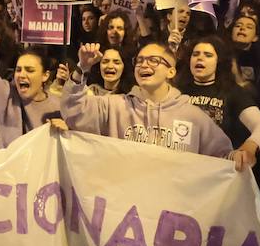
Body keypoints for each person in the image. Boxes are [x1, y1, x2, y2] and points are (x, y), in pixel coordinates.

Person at [65, 42, 234, 160]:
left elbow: (222, 158)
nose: (144, 65)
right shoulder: (113, 106)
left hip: (171, 206)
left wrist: (237, 157)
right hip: (126, 206)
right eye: (139, 60)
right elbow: (74, 111)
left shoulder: (193, 116)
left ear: (171, 72)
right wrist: (82, 68)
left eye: (153, 60)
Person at [175, 35, 260, 168]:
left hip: (218, 168)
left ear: (218, 61)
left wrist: (249, 146)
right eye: (195, 54)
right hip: (182, 165)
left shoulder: (231, 91)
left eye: (208, 55)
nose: (200, 58)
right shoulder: (176, 91)